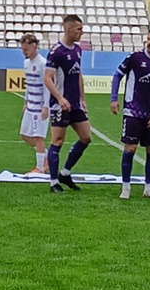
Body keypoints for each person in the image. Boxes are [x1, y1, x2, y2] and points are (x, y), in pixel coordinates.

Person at [110, 25, 150, 200]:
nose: (149, 42)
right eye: (148, 39)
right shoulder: (135, 58)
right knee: (130, 148)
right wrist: (114, 98)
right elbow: (117, 75)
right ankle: (126, 188)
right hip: (132, 111)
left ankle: (149, 188)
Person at [45, 13, 94, 193]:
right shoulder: (57, 51)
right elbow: (48, 78)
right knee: (57, 141)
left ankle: (65, 173)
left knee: (86, 138)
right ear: (68, 29)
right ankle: (53, 183)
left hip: (75, 103)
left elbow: (78, 74)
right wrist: (60, 98)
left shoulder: (77, 50)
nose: (82, 32)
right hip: (61, 104)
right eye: (79, 29)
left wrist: (83, 99)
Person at [18, 30, 50, 176]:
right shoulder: (26, 63)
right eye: (22, 49)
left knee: (38, 137)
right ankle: (46, 156)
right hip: (30, 104)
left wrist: (46, 106)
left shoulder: (43, 63)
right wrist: (26, 101)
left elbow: (47, 86)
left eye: (26, 49)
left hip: (40, 106)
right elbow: (29, 84)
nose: (24, 52)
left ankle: (40, 168)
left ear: (35, 46)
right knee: (24, 134)